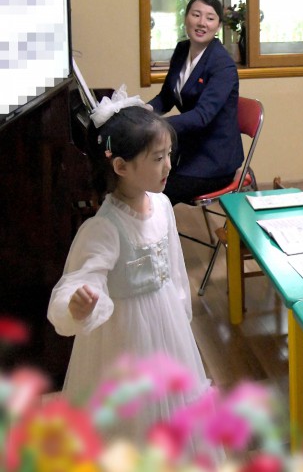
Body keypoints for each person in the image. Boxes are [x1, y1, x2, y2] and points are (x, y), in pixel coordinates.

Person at [47, 87, 211, 442]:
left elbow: (176, 270)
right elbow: (80, 277)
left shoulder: (163, 206)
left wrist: (181, 310)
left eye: (168, 154)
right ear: (120, 166)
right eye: (157, 158)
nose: (169, 165)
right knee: (134, 423)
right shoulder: (104, 228)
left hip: (166, 328)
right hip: (125, 341)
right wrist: (78, 302)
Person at [149, 0, 242, 206]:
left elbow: (202, 116)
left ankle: (154, 237)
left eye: (210, 18)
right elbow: (166, 97)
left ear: (218, 26)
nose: (202, 23)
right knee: (144, 179)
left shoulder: (223, 65)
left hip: (214, 160)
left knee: (158, 193)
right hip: (187, 148)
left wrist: (156, 125)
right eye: (196, 15)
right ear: (186, 18)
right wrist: (144, 110)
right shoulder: (182, 50)